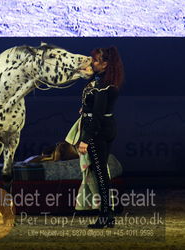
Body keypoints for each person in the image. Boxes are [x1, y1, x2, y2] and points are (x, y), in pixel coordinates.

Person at [78, 46, 124, 229]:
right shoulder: (103, 83)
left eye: (96, 61)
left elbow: (97, 115)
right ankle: (108, 215)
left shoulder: (103, 86)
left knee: (100, 173)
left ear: (105, 64)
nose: (93, 63)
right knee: (101, 172)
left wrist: (85, 139)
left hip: (98, 131)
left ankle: (105, 215)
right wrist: (86, 108)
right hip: (106, 127)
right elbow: (96, 108)